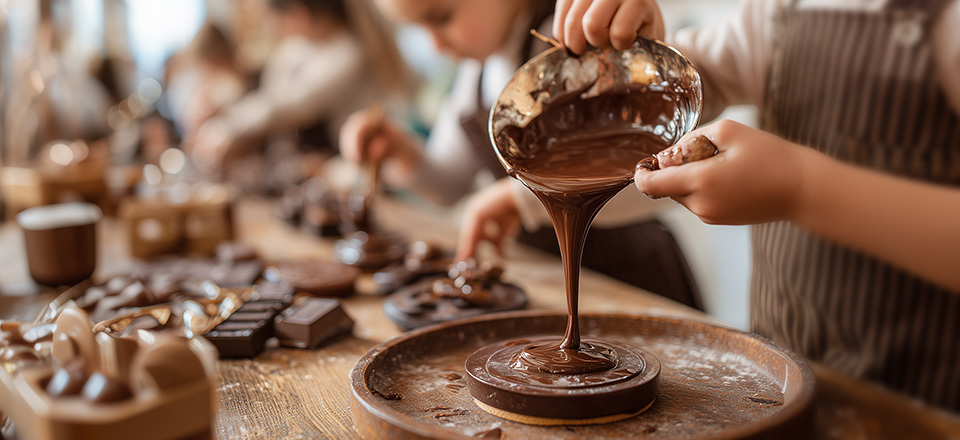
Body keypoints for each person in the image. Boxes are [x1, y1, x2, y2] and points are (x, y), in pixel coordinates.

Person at [554, 0, 960, 411]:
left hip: (927, 406)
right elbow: (697, 78)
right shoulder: (781, 9)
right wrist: (641, 58)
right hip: (783, 383)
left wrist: (801, 187)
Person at [340, 0, 703, 309]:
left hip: (629, 275)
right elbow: (449, 181)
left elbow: (642, 166)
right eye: (420, 28)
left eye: (441, 17)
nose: (434, 45)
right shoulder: (474, 77)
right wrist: (401, 152)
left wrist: (518, 200)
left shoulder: (576, 43)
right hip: (554, 282)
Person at [189, 0, 408, 169]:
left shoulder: (349, 52)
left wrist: (225, 128)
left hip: (357, 167)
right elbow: (270, 98)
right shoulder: (297, 48)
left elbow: (289, 106)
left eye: (272, 18)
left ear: (298, 14)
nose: (271, 27)